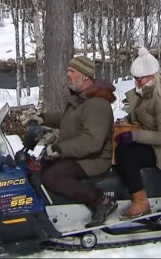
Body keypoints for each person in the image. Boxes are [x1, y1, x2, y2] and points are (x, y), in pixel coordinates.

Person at [24, 56, 118, 228]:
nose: (67, 75)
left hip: (93, 159)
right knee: (37, 166)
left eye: (72, 71)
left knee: (53, 177)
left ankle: (101, 201)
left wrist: (60, 148)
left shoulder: (97, 104)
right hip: (80, 153)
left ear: (84, 76)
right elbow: (68, 119)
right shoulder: (82, 99)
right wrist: (42, 118)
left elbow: (92, 142)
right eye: (68, 70)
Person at [114, 47, 161, 220]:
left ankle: (141, 202)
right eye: (135, 79)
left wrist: (135, 136)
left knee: (126, 153)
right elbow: (140, 117)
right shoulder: (145, 94)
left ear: (153, 75)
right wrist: (123, 124)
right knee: (117, 146)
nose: (137, 82)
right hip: (154, 143)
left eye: (141, 79)